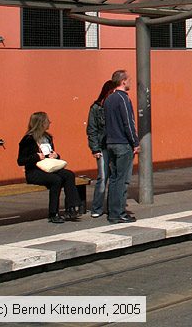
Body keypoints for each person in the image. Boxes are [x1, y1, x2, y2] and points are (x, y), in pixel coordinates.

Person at [17, 111, 81, 224]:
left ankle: (71, 208)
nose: (49, 123)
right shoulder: (28, 139)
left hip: (49, 168)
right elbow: (21, 161)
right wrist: (36, 157)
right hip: (34, 172)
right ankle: (53, 213)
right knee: (56, 180)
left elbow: (51, 156)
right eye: (47, 121)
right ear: (41, 123)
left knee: (69, 174)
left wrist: (56, 155)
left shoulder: (48, 137)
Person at [105, 69, 139, 223]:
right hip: (123, 143)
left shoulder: (109, 99)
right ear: (123, 81)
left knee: (113, 178)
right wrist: (135, 143)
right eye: (129, 79)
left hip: (110, 142)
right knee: (122, 179)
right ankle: (119, 212)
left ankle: (112, 211)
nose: (130, 82)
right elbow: (128, 123)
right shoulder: (123, 99)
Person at [86, 80, 115, 219]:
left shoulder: (117, 105)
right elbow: (92, 130)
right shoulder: (96, 108)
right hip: (102, 147)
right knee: (103, 177)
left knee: (115, 177)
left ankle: (112, 207)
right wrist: (95, 149)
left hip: (115, 145)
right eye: (112, 92)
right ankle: (97, 207)